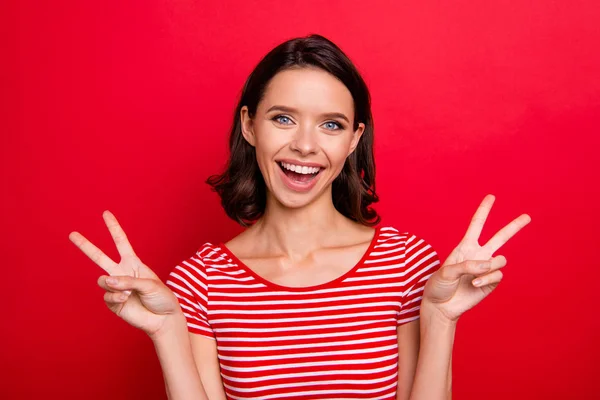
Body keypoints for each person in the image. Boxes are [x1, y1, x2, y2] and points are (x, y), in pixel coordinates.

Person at [69, 34, 531, 400]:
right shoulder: (199, 282)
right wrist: (167, 332)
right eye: (283, 118)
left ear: (353, 139)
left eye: (331, 124)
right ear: (249, 124)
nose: (306, 146)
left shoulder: (407, 265)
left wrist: (440, 317)